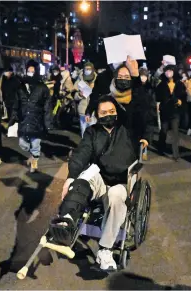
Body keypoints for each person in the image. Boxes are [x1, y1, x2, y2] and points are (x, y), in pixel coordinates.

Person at [49, 95, 145, 271]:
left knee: (115, 196)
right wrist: (71, 177)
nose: (108, 115)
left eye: (111, 111)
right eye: (103, 112)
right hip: (101, 176)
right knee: (82, 180)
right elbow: (81, 153)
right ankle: (67, 220)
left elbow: (141, 115)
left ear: (117, 112)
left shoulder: (127, 129)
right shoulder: (92, 132)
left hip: (122, 181)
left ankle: (105, 249)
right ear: (97, 115)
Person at [9, 61, 52, 173]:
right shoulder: (20, 87)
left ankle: (34, 160)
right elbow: (16, 104)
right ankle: (32, 155)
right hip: (24, 120)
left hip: (37, 120)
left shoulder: (42, 88)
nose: (31, 73)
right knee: (22, 143)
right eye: (29, 71)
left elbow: (47, 107)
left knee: (35, 143)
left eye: (33, 71)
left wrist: (48, 123)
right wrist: (13, 118)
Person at [155, 64, 184, 160]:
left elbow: (183, 96)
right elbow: (158, 96)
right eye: (166, 71)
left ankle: (175, 154)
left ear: (174, 72)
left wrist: (180, 101)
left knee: (175, 133)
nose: (168, 73)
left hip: (175, 111)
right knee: (163, 131)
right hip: (165, 111)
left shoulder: (179, 84)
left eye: (170, 71)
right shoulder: (161, 84)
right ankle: (161, 149)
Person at [74, 62, 97, 137]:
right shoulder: (79, 80)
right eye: (86, 69)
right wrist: (79, 95)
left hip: (94, 111)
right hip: (83, 110)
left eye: (89, 69)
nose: (88, 70)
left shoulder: (98, 79)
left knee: (93, 132)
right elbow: (74, 95)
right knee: (84, 132)